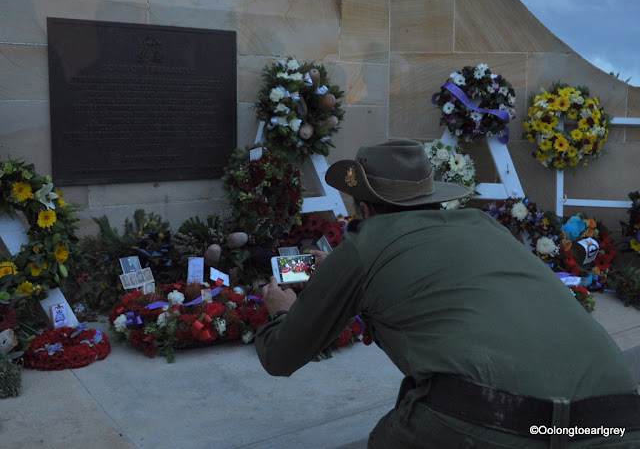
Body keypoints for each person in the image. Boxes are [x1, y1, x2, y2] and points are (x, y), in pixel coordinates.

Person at [255, 139, 640, 448]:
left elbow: (281, 356)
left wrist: (282, 312)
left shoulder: (363, 246)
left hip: (492, 421)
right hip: (616, 421)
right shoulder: (483, 226)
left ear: (363, 209)